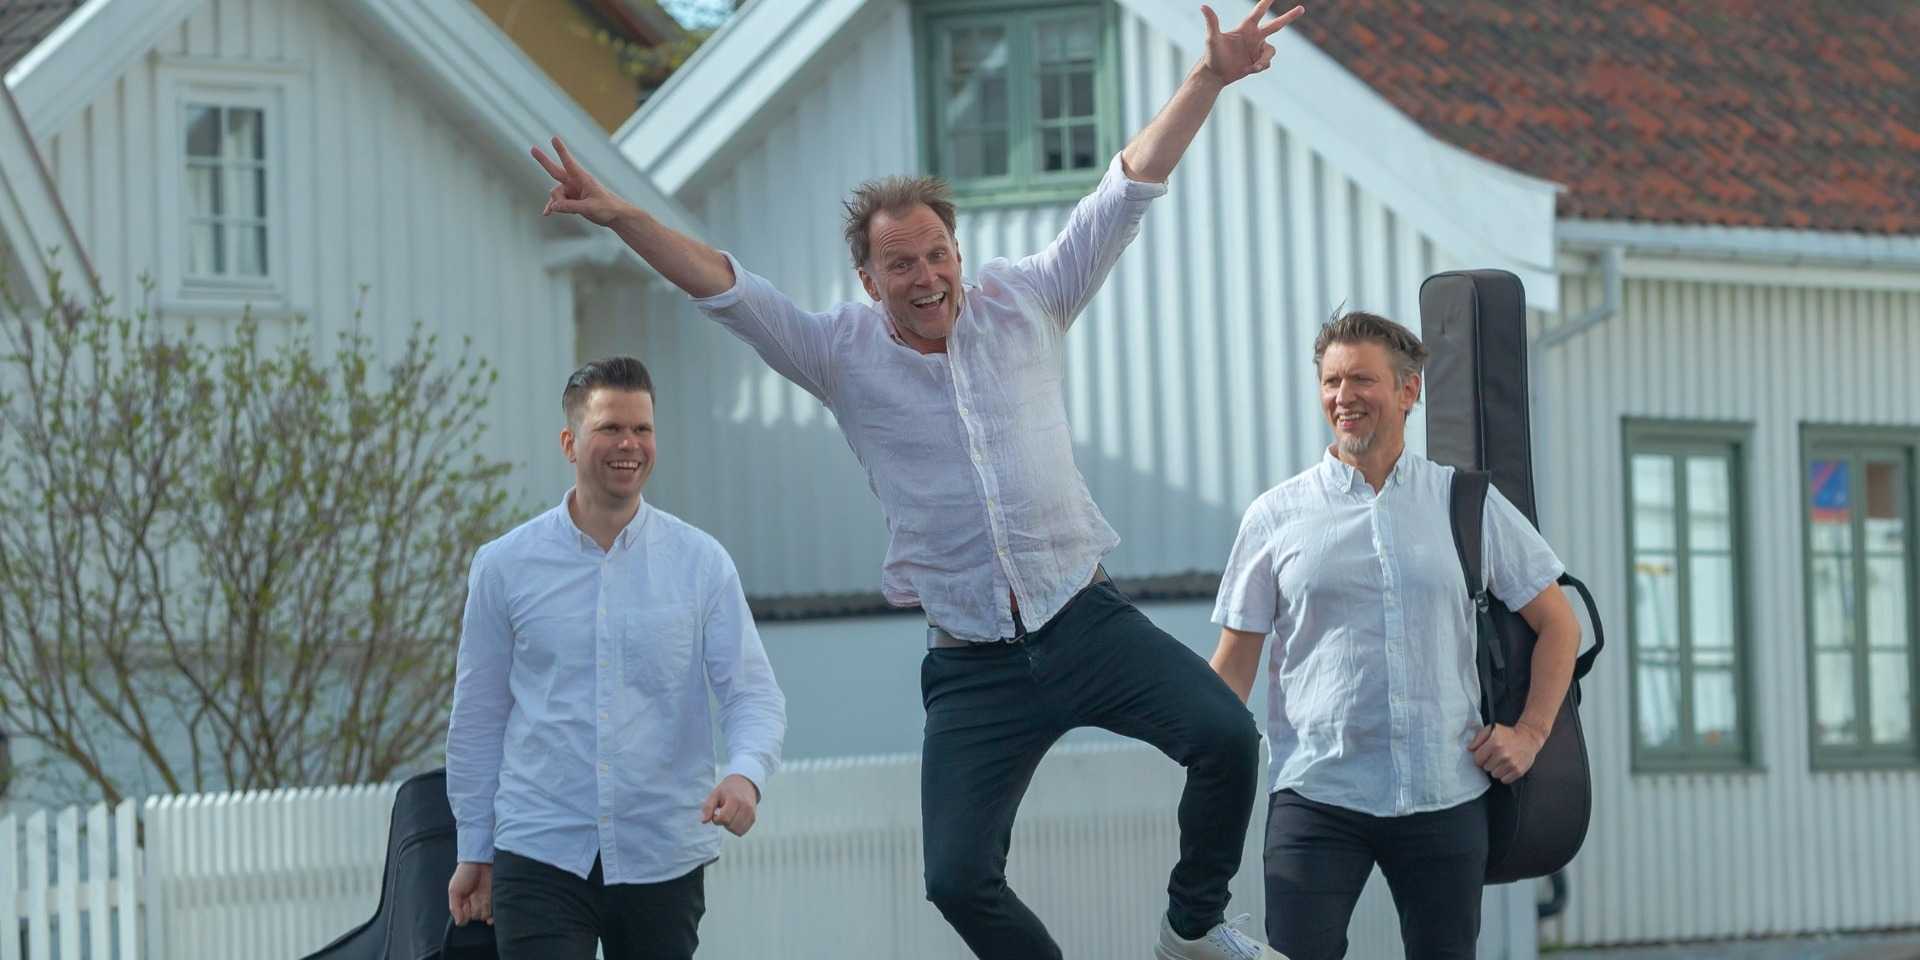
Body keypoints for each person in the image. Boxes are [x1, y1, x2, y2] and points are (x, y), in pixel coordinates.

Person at [531, 3, 1307, 955]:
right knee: (956, 879)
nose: (927, 276)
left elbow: (1126, 187)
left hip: (1083, 617)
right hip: (974, 661)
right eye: (901, 264)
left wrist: (1209, 77)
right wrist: (619, 214)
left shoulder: (1030, 299)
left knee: (1226, 738)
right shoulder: (836, 353)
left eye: (938, 255)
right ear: (870, 281)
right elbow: (719, 284)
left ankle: (1192, 928)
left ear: (959, 255)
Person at [1208, 311, 1582, 959]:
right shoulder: (1275, 516)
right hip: (1317, 793)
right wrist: (1193, 752)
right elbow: (1233, 667)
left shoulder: (1465, 503)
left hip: (1445, 790)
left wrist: (1529, 734)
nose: (1342, 397)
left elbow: (1560, 625)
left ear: (1409, 391)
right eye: (1331, 381)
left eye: (1361, 379)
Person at [444, 357, 786, 960]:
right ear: (569, 442)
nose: (630, 444)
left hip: (663, 853)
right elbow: (478, 716)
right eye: (610, 428)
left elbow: (751, 693)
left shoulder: (701, 563)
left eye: (642, 429)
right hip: (539, 848)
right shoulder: (504, 566)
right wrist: (474, 846)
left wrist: (746, 774)